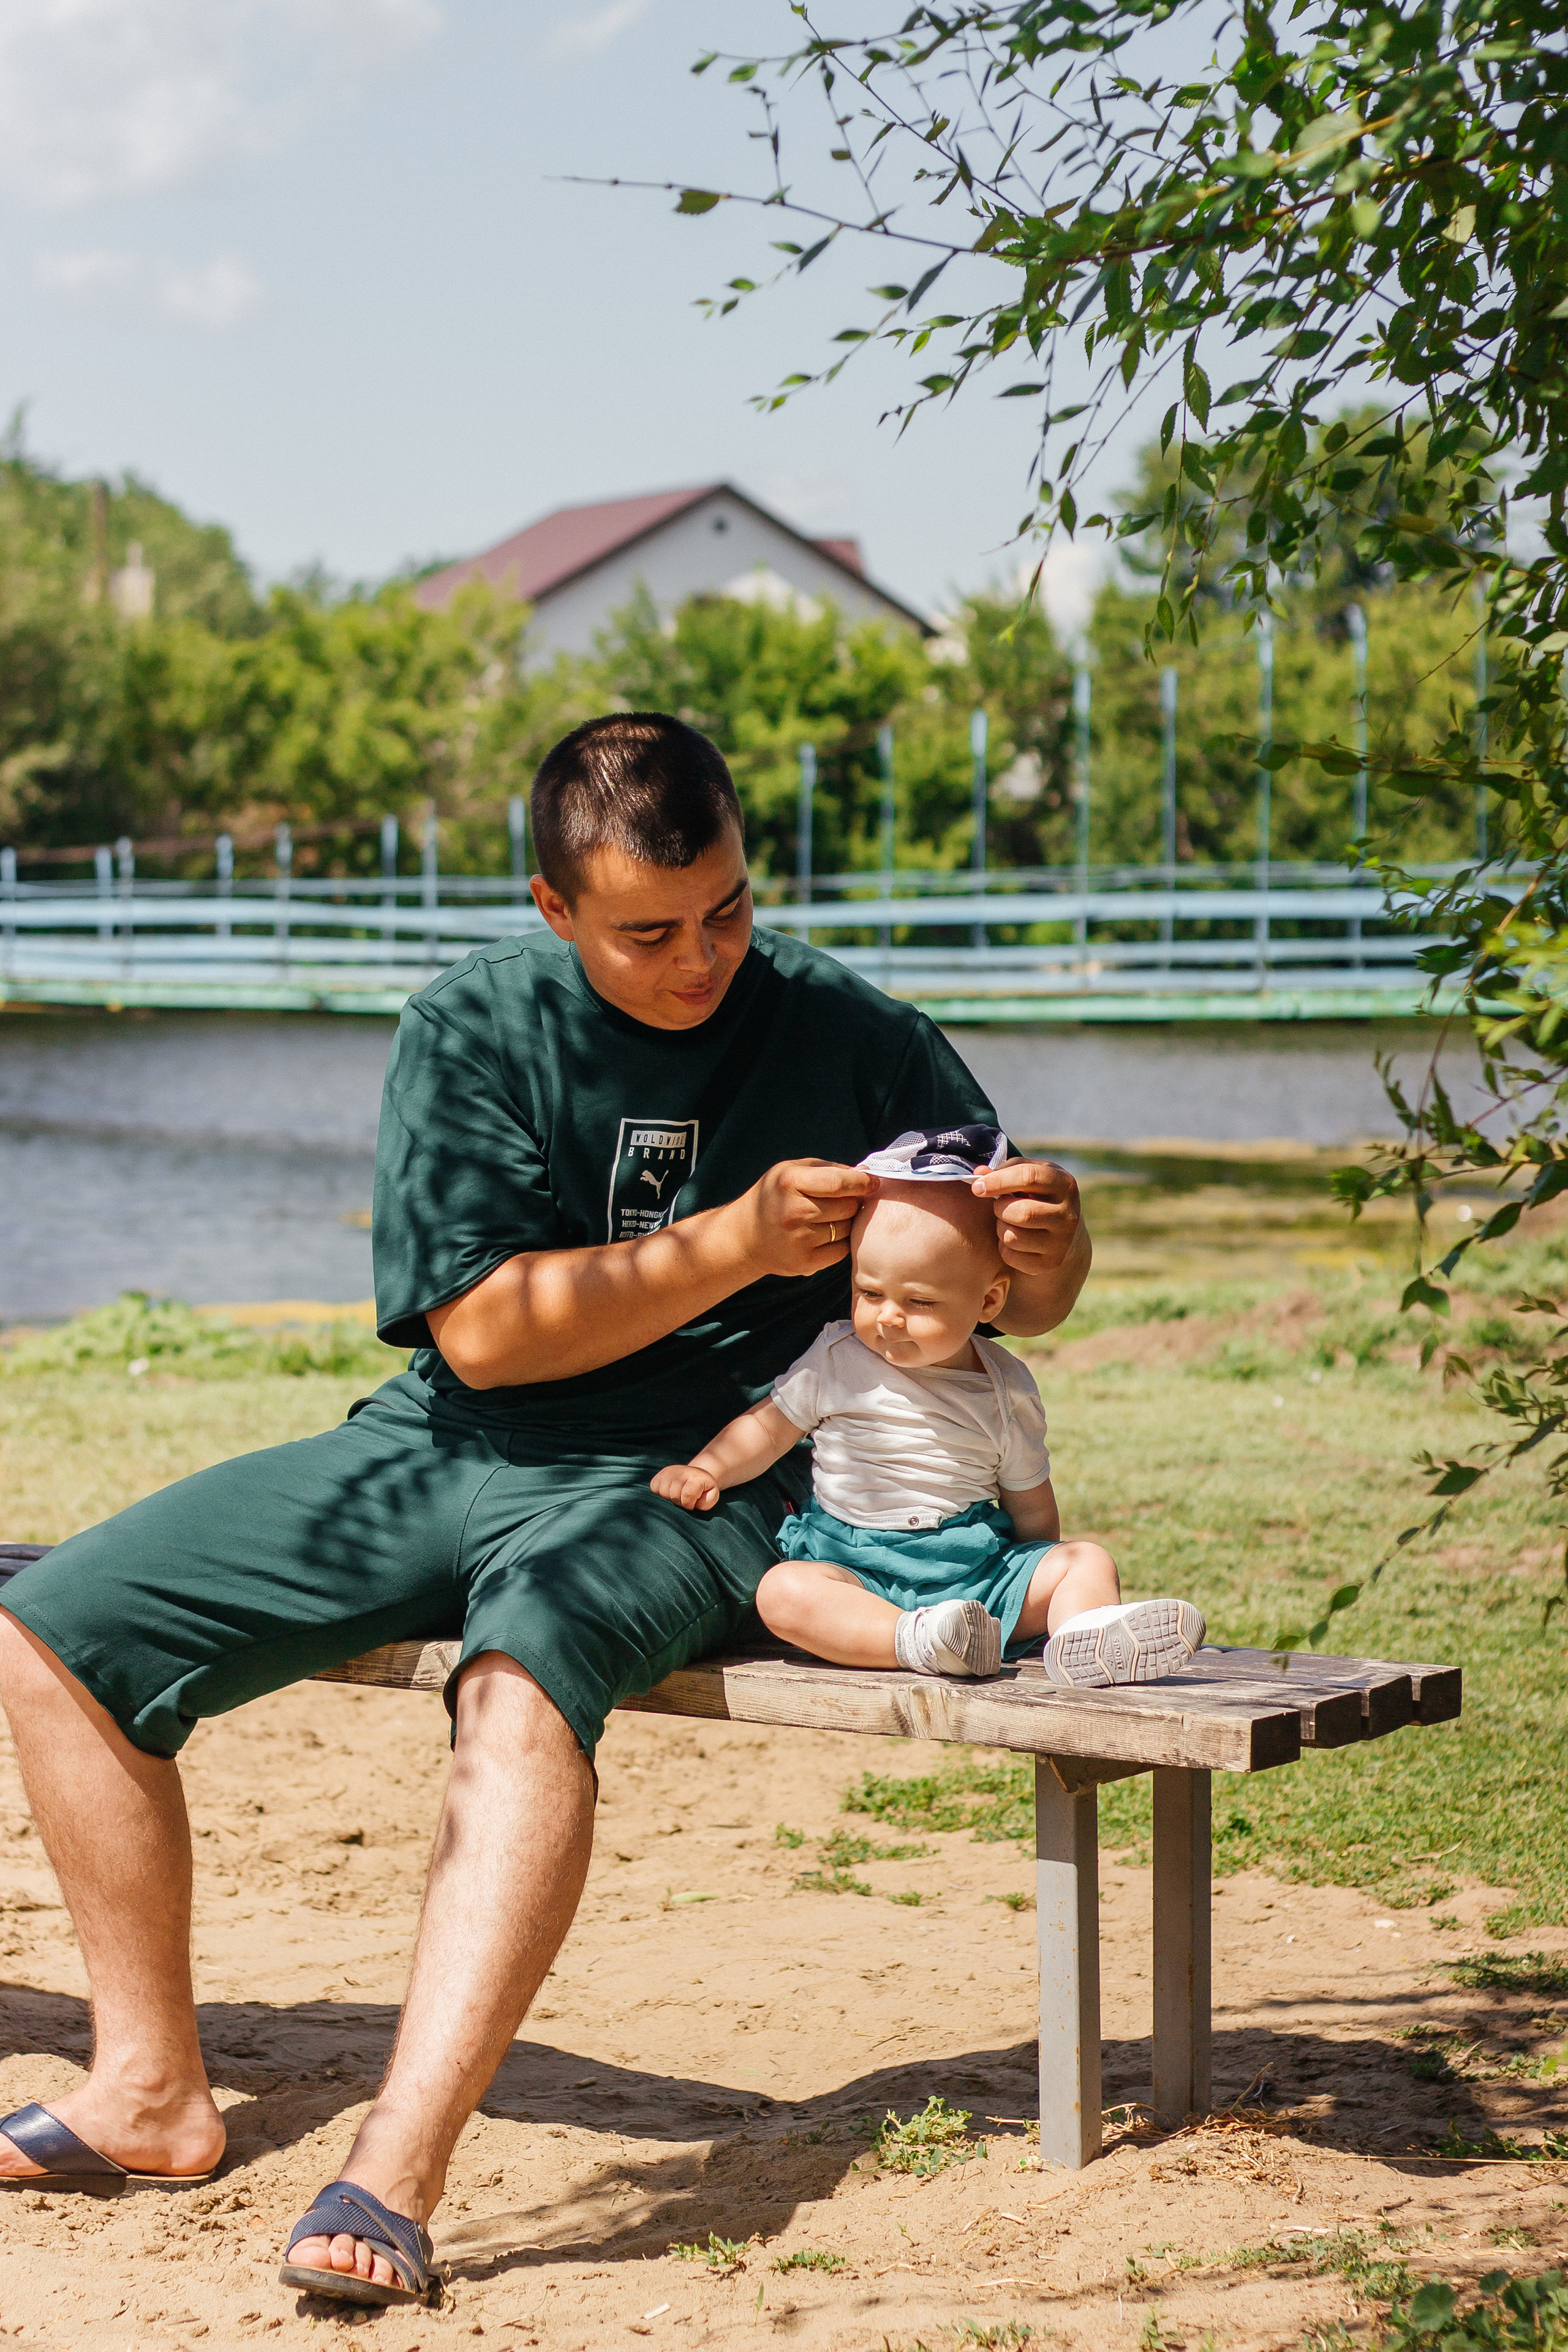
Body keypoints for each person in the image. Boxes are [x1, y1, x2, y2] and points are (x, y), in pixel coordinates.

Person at [0, 712, 1091, 2311]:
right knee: (58, 1633)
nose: (701, 957)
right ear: (552, 906)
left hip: (709, 1474)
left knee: (516, 1689)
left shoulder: (856, 1033)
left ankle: (397, 2168)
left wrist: (1050, 1246)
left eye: (726, 910)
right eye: (648, 931)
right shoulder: (468, 1030)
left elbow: (1005, 1292)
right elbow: (489, 1334)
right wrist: (729, 1241)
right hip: (441, 1441)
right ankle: (149, 2091)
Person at [652, 1131, 1205, 1686]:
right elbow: (767, 1430)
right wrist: (707, 1470)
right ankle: (915, 1639)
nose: (889, 1317)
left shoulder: (1003, 1387)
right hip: (854, 1568)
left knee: (1085, 1562)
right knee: (784, 1592)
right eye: (870, 1293)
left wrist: (1033, 1570)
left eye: (918, 1302)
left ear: (988, 1301)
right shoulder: (837, 1359)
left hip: (972, 1573)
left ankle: (1084, 1637)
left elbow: (1031, 1503)